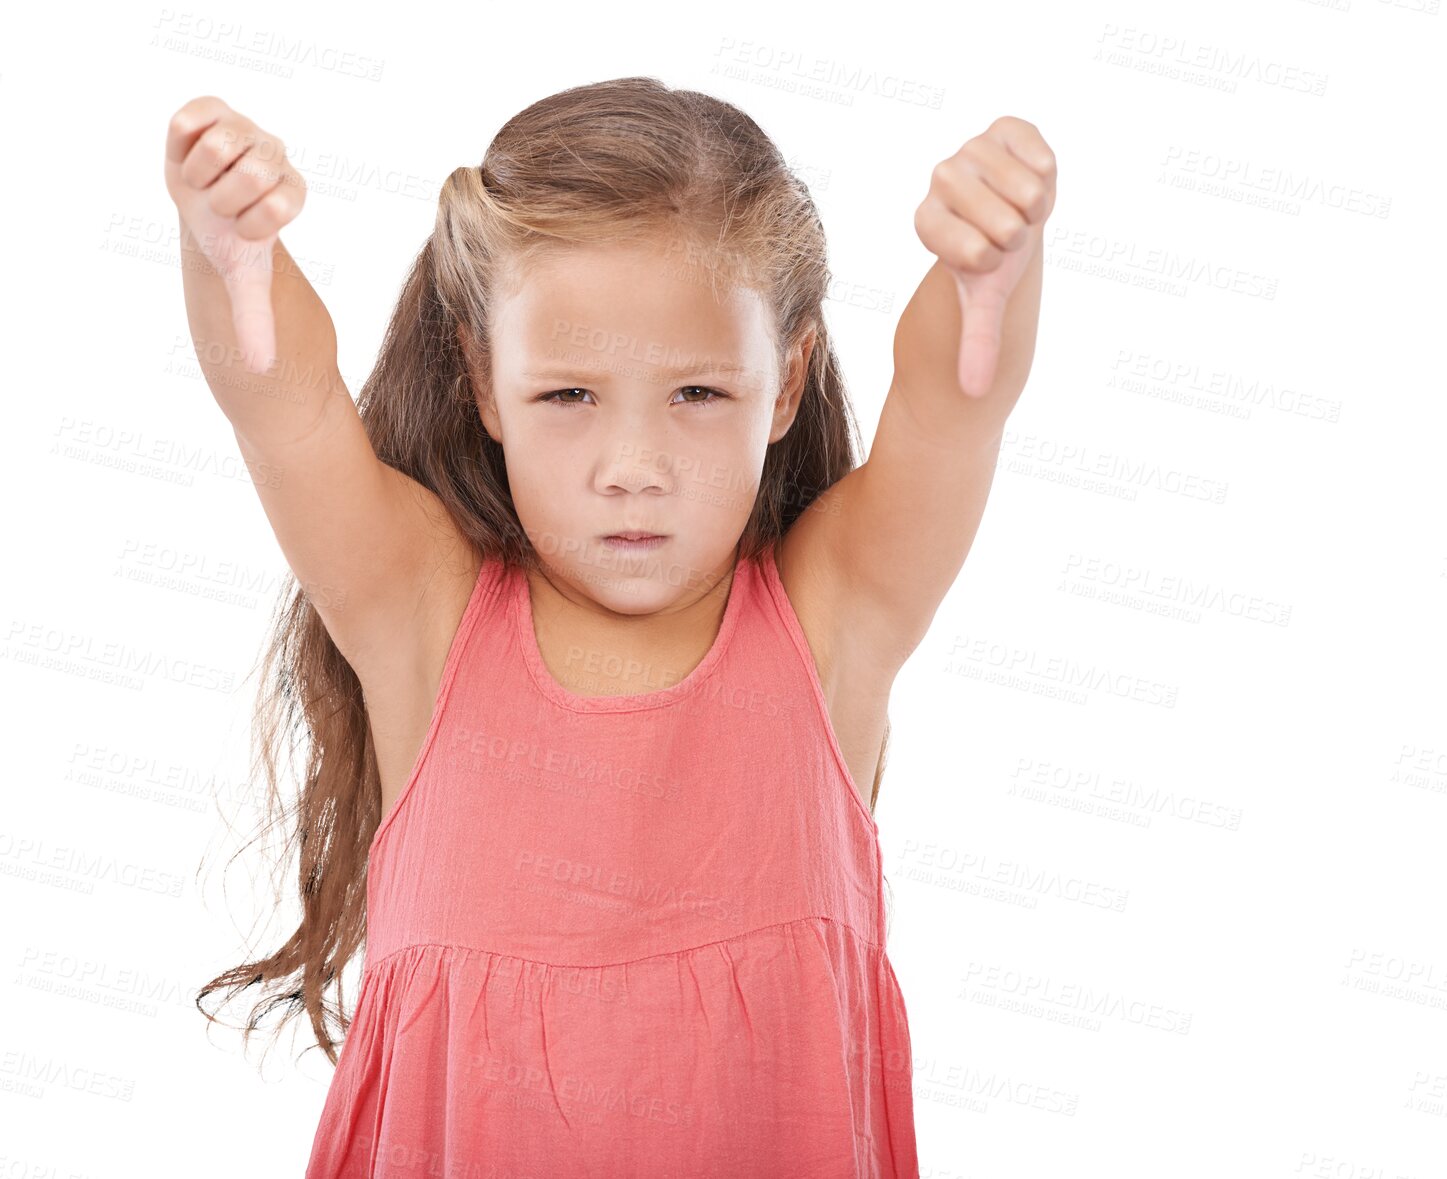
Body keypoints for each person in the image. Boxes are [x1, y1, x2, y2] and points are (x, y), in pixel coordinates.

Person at [162, 76, 1054, 1179]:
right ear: (484, 382)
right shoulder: (421, 617)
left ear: (786, 386)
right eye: (568, 397)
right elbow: (282, 404)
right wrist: (229, 255)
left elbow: (952, 408)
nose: (633, 470)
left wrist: (990, 278)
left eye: (697, 395)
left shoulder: (835, 617)